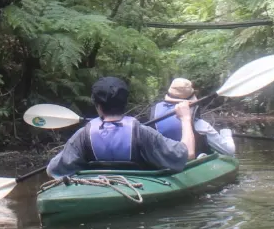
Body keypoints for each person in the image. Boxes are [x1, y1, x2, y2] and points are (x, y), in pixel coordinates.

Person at [46, 76, 196, 178]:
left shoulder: (83, 135)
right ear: (125, 103)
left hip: (96, 188)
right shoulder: (142, 132)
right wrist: (186, 118)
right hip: (139, 188)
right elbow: (188, 154)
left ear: (97, 106)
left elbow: (53, 170)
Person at [152, 78, 236, 156]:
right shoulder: (199, 125)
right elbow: (229, 151)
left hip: (160, 160)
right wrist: (226, 132)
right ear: (190, 102)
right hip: (187, 165)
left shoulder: (154, 111)